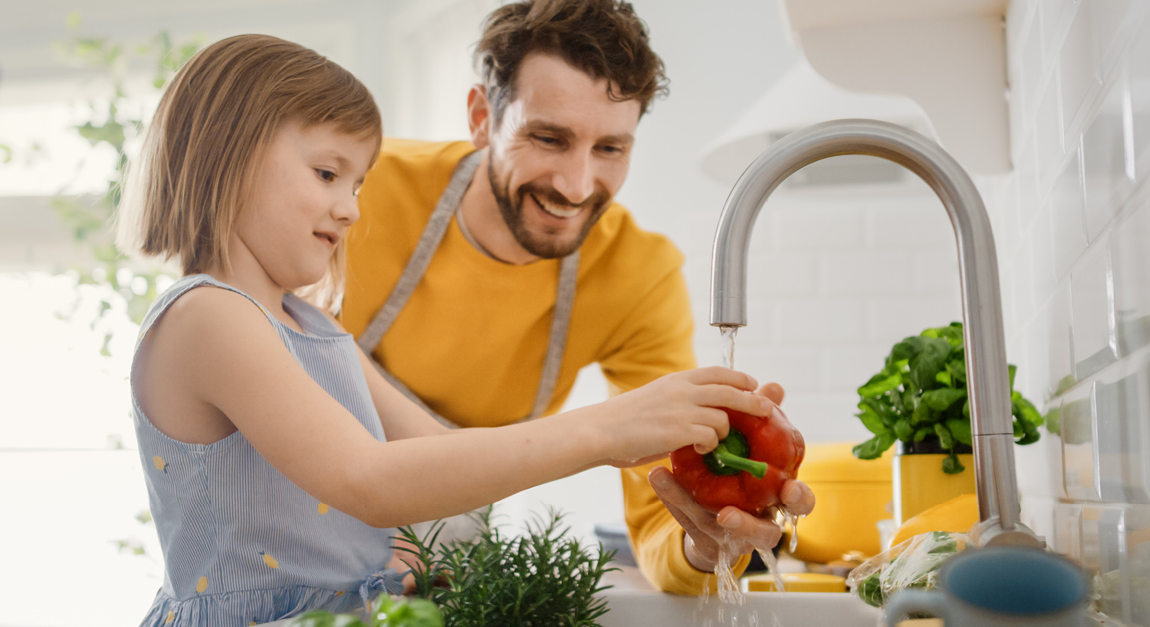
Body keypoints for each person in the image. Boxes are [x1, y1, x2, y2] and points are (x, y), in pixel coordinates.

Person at [117, 33, 773, 626]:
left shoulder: (309, 324)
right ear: (228, 156)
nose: (351, 209)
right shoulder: (209, 317)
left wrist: (678, 443)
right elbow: (369, 479)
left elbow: (440, 463)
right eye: (327, 174)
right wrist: (604, 430)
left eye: (357, 182)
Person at [340, 0, 815, 595]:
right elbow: (283, 350)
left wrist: (705, 543)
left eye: (610, 149)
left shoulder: (637, 274)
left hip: (436, 575)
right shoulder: (365, 188)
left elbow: (657, 518)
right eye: (549, 138)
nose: (576, 184)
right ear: (483, 116)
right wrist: (606, 430)